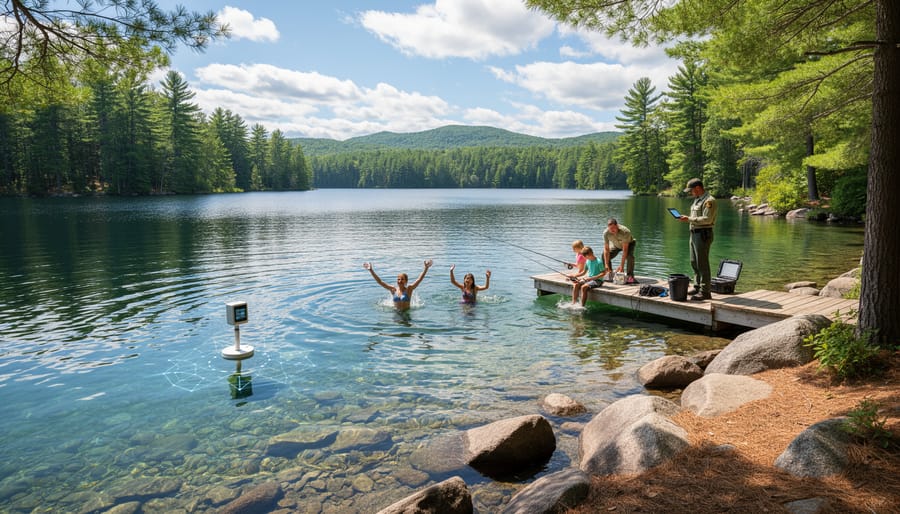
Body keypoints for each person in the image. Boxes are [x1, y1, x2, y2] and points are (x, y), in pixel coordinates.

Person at [678, 178, 718, 301]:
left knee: (702, 263)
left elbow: (707, 219)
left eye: (691, 190)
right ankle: (697, 286)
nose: (690, 193)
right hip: (694, 233)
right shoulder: (697, 200)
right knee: (693, 262)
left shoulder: (709, 201)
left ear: (697, 188)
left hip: (703, 234)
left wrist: (688, 219)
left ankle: (706, 291)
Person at [363, 260, 433, 310]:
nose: (400, 281)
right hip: (396, 314)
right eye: (398, 279)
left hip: (406, 314)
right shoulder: (393, 289)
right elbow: (380, 282)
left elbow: (419, 279)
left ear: (406, 281)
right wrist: (371, 270)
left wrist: (426, 268)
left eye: (402, 279)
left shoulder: (409, 289)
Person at [602, 218, 637, 284]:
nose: (612, 230)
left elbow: (625, 250)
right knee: (604, 255)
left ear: (617, 225)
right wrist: (606, 264)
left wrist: (621, 266)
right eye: (610, 228)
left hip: (629, 244)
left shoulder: (625, 232)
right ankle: (609, 273)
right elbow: (606, 249)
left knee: (630, 257)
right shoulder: (606, 233)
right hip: (616, 245)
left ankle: (630, 277)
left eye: (613, 228)